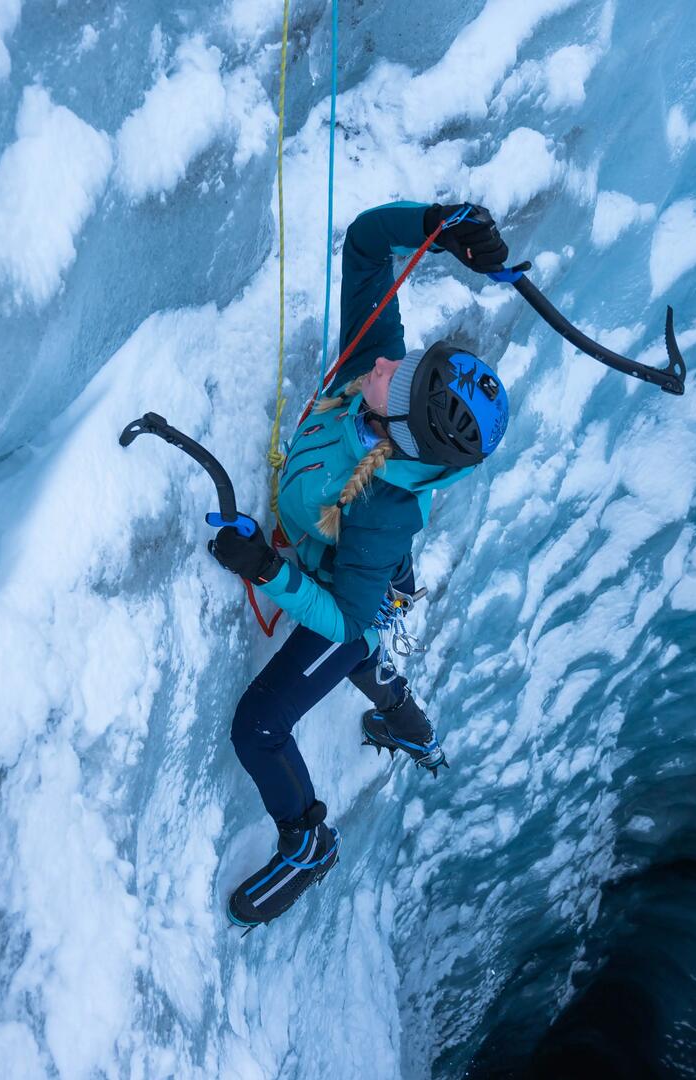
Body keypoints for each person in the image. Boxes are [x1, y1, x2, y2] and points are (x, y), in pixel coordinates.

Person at [209, 200, 512, 927]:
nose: (383, 359)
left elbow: (342, 620)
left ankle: (307, 839)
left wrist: (266, 570)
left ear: (397, 432)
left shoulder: (383, 508)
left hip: (348, 596)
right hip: (355, 564)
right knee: (362, 613)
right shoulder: (374, 372)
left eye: (396, 379)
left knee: (262, 724)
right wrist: (439, 224)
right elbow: (367, 246)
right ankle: (406, 718)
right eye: (404, 364)